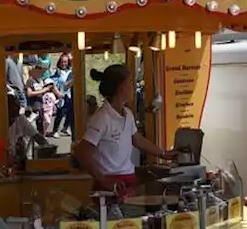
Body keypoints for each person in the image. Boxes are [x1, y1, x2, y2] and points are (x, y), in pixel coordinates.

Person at [73, 65, 174, 198]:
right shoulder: (102, 118)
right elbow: (82, 152)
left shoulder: (127, 113)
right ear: (122, 87)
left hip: (129, 179)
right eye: (131, 82)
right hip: (111, 183)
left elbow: (137, 139)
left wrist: (164, 154)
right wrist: (103, 180)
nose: (134, 86)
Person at [5, 93, 49, 163]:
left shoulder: (20, 119)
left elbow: (36, 136)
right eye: (14, 106)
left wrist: (47, 147)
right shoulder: (1, 123)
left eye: (18, 105)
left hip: (19, 160)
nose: (17, 107)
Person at [51, 53, 74, 137]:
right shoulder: (57, 71)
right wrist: (57, 93)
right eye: (62, 62)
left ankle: (65, 127)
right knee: (60, 113)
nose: (64, 64)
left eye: (66, 62)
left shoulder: (70, 71)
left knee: (70, 112)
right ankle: (55, 130)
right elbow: (52, 83)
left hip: (70, 95)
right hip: (61, 94)